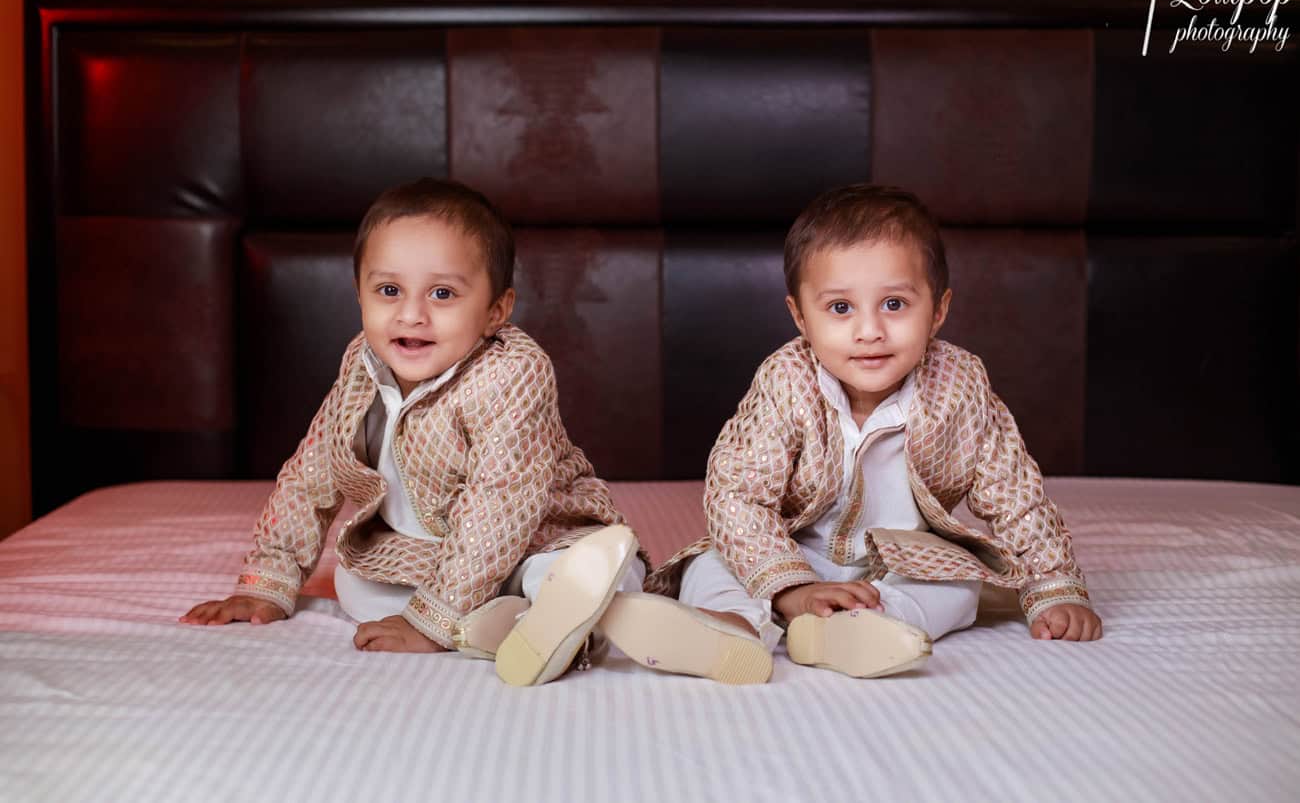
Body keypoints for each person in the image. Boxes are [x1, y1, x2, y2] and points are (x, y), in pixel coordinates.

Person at [180, 177, 645, 686]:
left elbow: (502, 503)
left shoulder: (513, 373)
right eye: (389, 290)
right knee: (355, 583)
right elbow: (309, 477)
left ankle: (564, 611)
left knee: (591, 569)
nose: (412, 314)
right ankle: (512, 625)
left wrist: (431, 622)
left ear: (496, 310)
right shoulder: (363, 365)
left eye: (442, 293)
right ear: (359, 294)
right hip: (429, 555)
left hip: (539, 536)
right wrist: (267, 584)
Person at [641, 184, 1102, 680]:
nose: (869, 331)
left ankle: (859, 629)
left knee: (961, 586)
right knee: (710, 563)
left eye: (895, 304)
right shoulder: (786, 381)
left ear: (938, 310)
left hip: (903, 563)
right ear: (800, 316)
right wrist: (792, 585)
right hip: (793, 549)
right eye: (841, 308)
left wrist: (1054, 587)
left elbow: (1015, 496)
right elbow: (737, 494)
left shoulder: (959, 387)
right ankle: (733, 627)